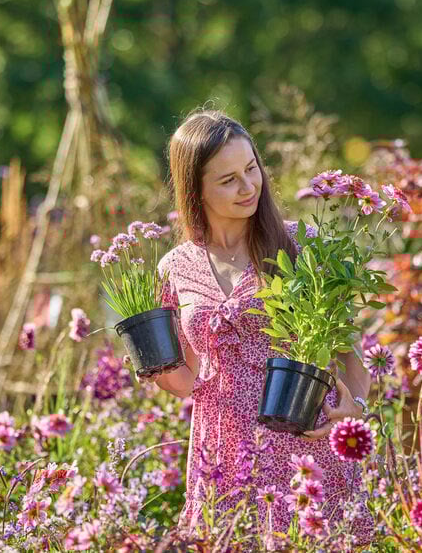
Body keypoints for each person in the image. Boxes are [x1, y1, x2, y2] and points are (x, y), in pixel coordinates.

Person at [129, 108, 374, 544]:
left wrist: (353, 405)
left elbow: (349, 357)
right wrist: (151, 364)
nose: (248, 187)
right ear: (195, 190)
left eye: (251, 169)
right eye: (227, 180)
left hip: (302, 443)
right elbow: (187, 380)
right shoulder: (176, 267)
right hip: (223, 451)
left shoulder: (302, 246)